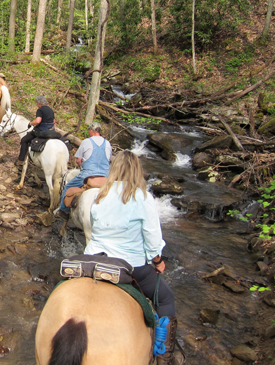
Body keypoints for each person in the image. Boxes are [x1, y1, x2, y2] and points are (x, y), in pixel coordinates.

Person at [84, 150, 180, 365]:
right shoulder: (142, 197)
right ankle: (164, 355)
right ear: (137, 171)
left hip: (95, 260)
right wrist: (157, 261)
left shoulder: (100, 194)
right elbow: (153, 237)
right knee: (165, 298)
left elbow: (94, 226)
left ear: (114, 169)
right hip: (129, 265)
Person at [57, 122, 112, 216]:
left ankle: (63, 210)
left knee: (68, 186)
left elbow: (78, 160)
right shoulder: (108, 143)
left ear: (91, 130)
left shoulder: (87, 141)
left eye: (89, 131)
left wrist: (82, 166)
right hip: (105, 177)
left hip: (88, 175)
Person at [15, 95, 55, 166]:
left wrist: (31, 123)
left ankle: (20, 160)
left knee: (24, 140)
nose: (37, 104)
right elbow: (53, 121)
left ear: (39, 103)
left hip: (42, 130)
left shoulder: (40, 110)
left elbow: (38, 121)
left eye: (37, 103)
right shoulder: (50, 110)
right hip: (51, 130)